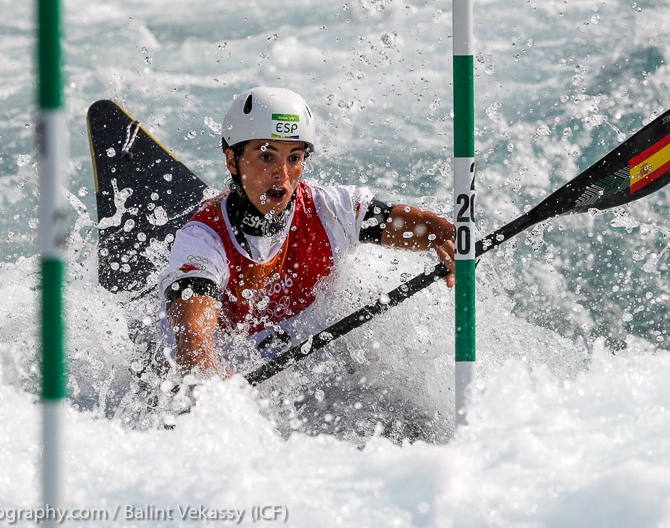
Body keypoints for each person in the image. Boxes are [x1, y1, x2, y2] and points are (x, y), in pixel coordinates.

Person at [158, 87, 455, 380]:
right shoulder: (203, 240)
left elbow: (426, 228)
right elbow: (193, 343)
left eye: (294, 158)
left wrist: (450, 240)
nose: (282, 174)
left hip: (308, 377)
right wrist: (212, 392)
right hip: (228, 377)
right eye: (266, 157)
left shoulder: (330, 210)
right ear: (232, 160)